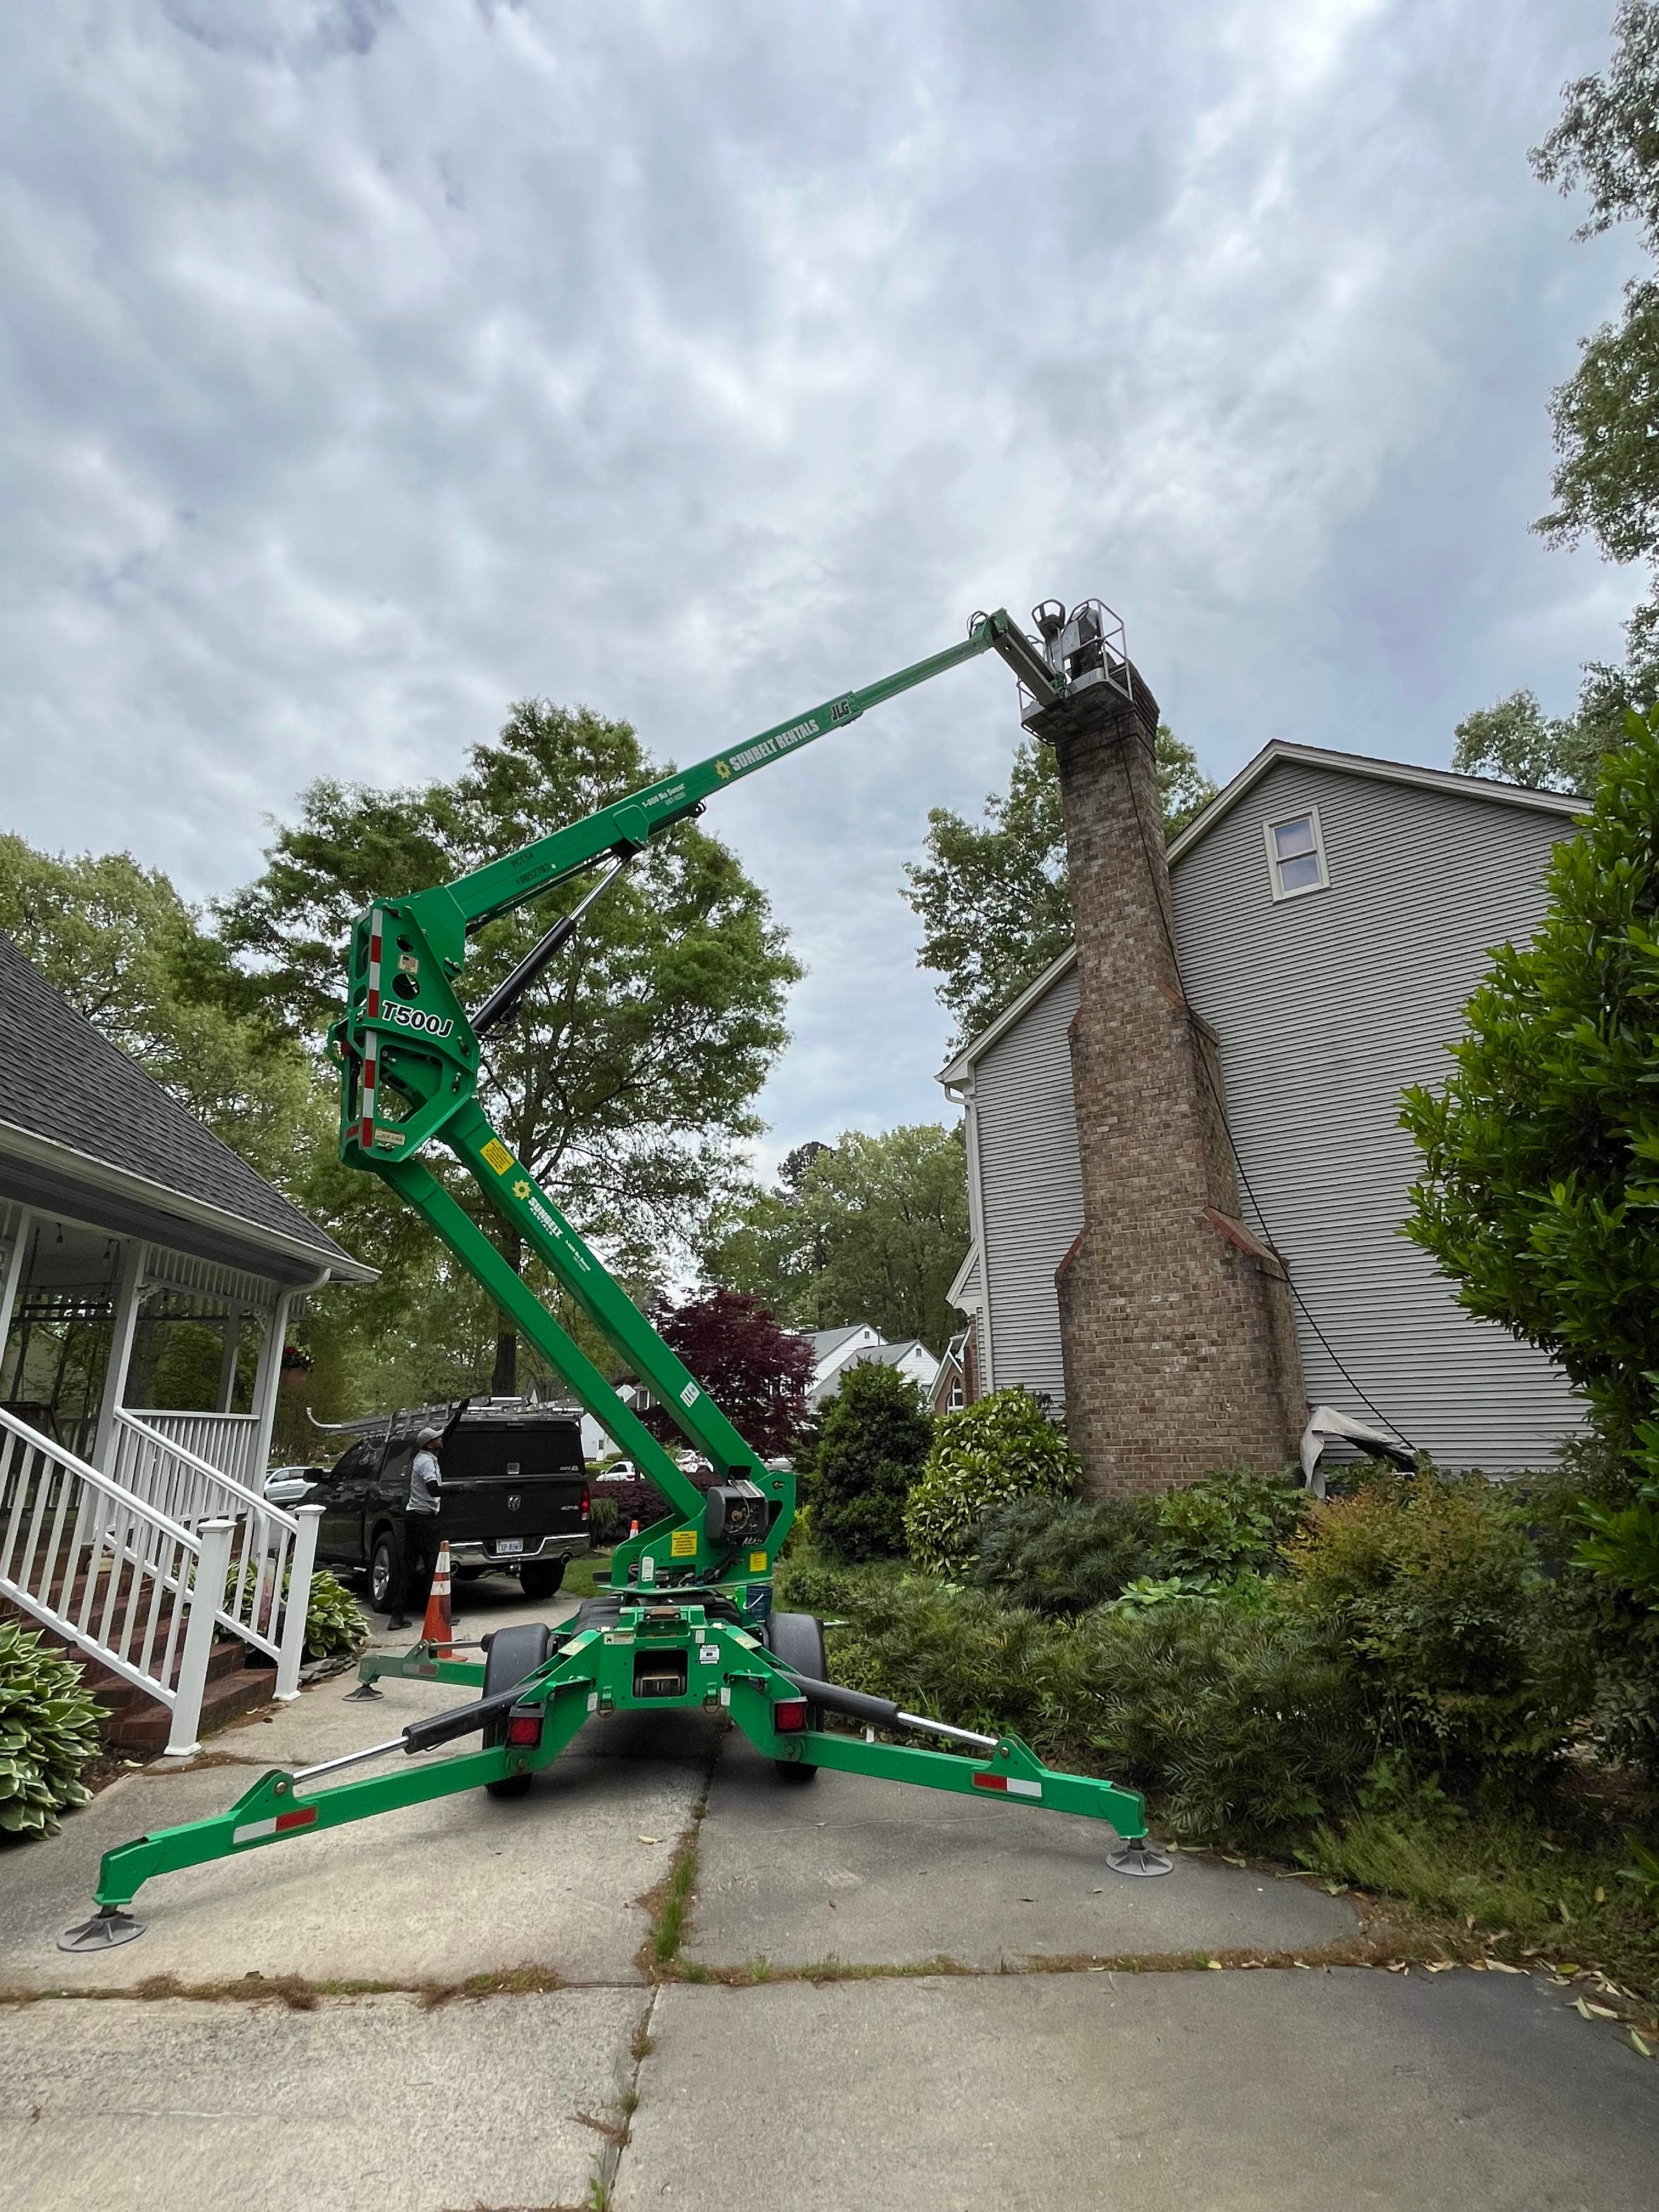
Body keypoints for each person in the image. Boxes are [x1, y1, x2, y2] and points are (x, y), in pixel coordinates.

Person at [386, 1426, 445, 1630]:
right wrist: (459, 1490)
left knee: (409, 1568)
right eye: (437, 1438)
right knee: (432, 1568)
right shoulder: (427, 1462)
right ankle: (436, 1616)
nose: (441, 1439)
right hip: (424, 1520)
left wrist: (459, 1414)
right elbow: (434, 1489)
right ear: (429, 1444)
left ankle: (397, 1616)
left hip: (414, 1517)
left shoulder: (421, 1459)